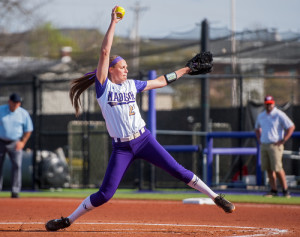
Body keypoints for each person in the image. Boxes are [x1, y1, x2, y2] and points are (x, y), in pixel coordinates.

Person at [45, 6, 235, 232]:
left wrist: (186, 69)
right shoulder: (103, 87)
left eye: (126, 67)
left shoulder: (132, 85)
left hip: (143, 139)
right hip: (122, 148)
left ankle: (216, 198)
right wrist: (114, 22)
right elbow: (105, 52)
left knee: (178, 170)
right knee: (105, 194)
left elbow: (163, 81)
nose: (126, 70)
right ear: (111, 70)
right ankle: (68, 220)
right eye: (122, 67)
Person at [255, 95, 295, 198]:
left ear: (273, 103)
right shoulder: (261, 115)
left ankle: (285, 191)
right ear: (265, 104)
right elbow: (257, 128)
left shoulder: (279, 114)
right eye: (267, 104)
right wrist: (259, 139)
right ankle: (273, 190)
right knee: (268, 169)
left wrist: (283, 139)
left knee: (277, 168)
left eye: (270, 104)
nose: (269, 106)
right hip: (264, 145)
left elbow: (291, 126)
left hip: (275, 145)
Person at [0, 93, 33, 198]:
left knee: (17, 166)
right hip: (1, 141)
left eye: (18, 102)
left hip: (15, 143)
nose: (16, 104)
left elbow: (28, 129)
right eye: (14, 102)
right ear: (9, 101)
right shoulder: (1, 110)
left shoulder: (23, 113)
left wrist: (22, 142)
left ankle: (15, 191)